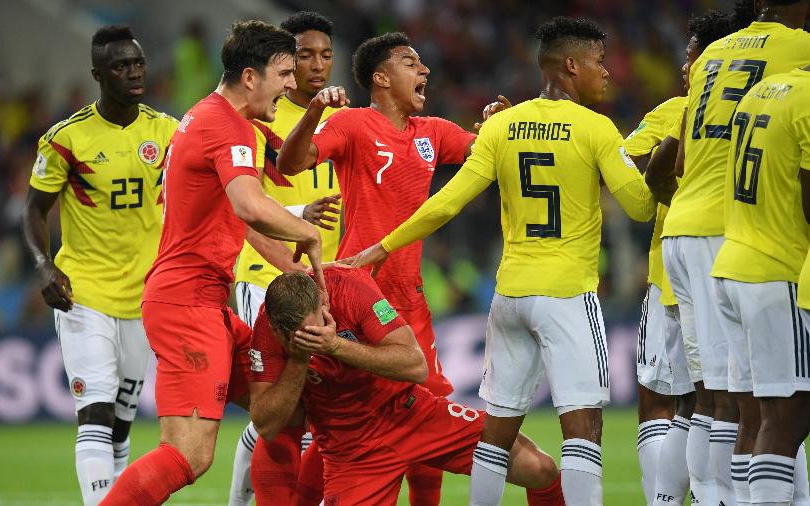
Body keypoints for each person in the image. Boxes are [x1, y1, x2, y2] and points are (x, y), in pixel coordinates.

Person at [346, 16, 661, 505]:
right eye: (599, 62)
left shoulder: (504, 127)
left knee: (495, 437)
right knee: (583, 430)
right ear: (571, 66)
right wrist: (650, 159)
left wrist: (379, 248)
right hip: (567, 295)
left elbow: (446, 202)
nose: (606, 73)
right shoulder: (597, 129)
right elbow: (642, 206)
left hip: (509, 297)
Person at [100, 20, 326, 505]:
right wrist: (306, 232)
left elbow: (241, 223)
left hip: (206, 306)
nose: (291, 85)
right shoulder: (224, 125)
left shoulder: (208, 119)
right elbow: (249, 204)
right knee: (189, 454)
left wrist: (296, 270)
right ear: (251, 76)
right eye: (284, 73)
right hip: (186, 307)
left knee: (290, 408)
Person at [276, 32, 490, 502]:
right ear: (381, 77)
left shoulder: (433, 132)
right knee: (348, 426)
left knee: (426, 410)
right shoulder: (352, 124)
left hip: (409, 296)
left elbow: (489, 154)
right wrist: (314, 113)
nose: (425, 71)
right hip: (358, 293)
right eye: (411, 62)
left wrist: (499, 125)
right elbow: (290, 165)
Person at [21, 25, 177, 506]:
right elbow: (32, 210)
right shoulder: (66, 139)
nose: (133, 73)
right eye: (120, 66)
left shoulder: (167, 132)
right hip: (83, 293)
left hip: (143, 299)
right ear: (97, 74)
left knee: (122, 424)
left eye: (137, 63)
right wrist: (43, 265)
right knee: (96, 412)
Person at [249, 268, 565, 506]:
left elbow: (415, 365)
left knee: (539, 468)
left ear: (322, 299)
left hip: (412, 414)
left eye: (315, 328)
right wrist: (298, 361)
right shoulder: (268, 328)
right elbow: (266, 425)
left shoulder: (350, 287)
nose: (312, 336)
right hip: (352, 453)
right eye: (299, 335)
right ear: (276, 329)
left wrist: (335, 346)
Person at [661, 1, 810, 503]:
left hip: (687, 229)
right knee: (761, 405)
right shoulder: (801, 53)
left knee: (719, 399)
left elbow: (679, 160)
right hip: (739, 234)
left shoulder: (714, 54)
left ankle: (718, 497)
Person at [228, 11, 341, 506]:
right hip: (266, 275)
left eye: (325, 55)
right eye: (301, 56)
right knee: (278, 407)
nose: (314, 66)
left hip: (322, 278)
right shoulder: (258, 119)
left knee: (308, 409)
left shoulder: (343, 120)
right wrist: (289, 262)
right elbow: (248, 212)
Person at [624, 10, 734, 506]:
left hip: (675, 270)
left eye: (690, 55)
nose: (684, 65)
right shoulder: (760, 104)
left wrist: (658, 195)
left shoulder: (678, 110)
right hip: (738, 263)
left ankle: (667, 500)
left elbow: (625, 165)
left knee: (679, 400)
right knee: (748, 400)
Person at [711, 65, 810, 504]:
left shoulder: (763, 91)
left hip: (735, 262)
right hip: (778, 269)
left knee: (757, 415)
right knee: (786, 417)